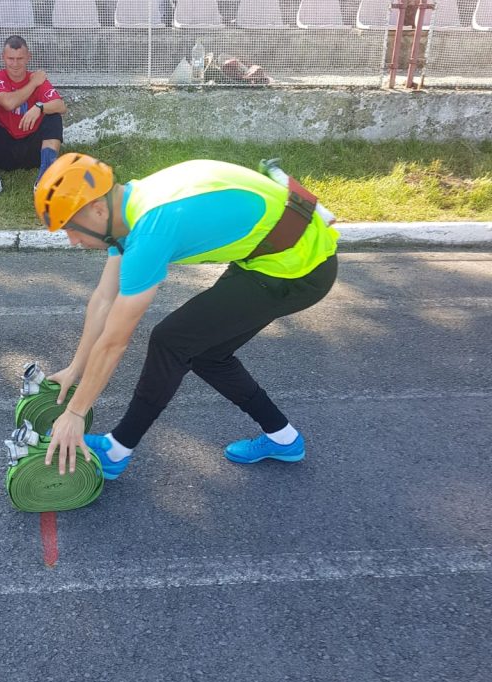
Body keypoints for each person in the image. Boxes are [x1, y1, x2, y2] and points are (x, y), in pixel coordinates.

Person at [34, 154, 339, 478]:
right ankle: (284, 439)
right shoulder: (125, 210)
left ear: (97, 209)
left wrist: (75, 413)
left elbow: (114, 342)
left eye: (71, 228)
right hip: (274, 255)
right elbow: (104, 300)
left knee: (171, 341)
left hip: (299, 269)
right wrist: (76, 368)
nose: (73, 241)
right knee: (206, 354)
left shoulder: (151, 229)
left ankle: (117, 449)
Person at [0, 35, 65, 203]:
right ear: (3, 57)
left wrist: (40, 107)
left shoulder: (37, 79)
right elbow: (9, 103)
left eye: (20, 58)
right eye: (11, 58)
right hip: (4, 150)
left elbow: (61, 105)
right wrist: (33, 84)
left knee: (54, 117)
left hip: (33, 149)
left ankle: (44, 180)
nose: (15, 64)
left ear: (28, 57)